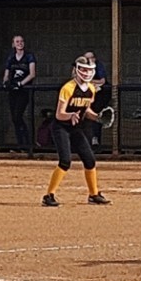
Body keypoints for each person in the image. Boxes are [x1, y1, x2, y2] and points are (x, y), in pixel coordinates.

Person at [42, 57, 110, 207]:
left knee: (90, 160)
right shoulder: (68, 88)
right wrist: (70, 115)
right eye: (84, 70)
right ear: (77, 70)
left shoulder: (91, 89)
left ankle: (93, 194)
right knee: (65, 161)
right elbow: (59, 114)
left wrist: (98, 117)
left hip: (76, 127)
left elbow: (86, 111)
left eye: (90, 70)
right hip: (61, 127)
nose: (87, 73)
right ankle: (48, 195)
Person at [2, 34, 36, 147]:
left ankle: (27, 143)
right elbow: (6, 74)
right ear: (13, 44)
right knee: (15, 118)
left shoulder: (29, 56)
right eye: (17, 41)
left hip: (24, 90)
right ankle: (21, 143)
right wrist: (6, 82)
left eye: (21, 41)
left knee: (18, 115)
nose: (20, 43)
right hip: (13, 90)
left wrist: (21, 83)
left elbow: (32, 74)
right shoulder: (11, 57)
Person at [83, 51, 110, 147]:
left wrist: (89, 80)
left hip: (101, 95)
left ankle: (95, 138)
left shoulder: (98, 66)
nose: (87, 60)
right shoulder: (81, 66)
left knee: (95, 114)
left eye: (90, 58)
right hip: (87, 95)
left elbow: (102, 81)